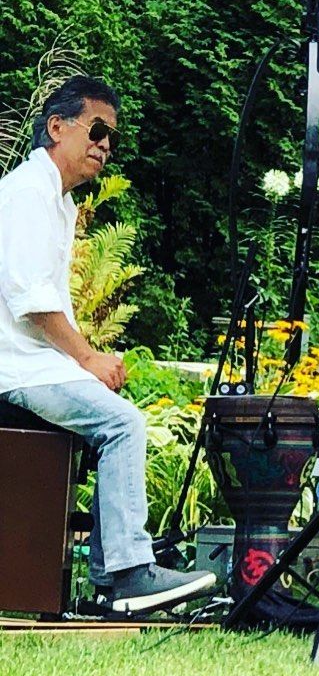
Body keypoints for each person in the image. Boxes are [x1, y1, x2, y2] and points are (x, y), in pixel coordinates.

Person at [0, 76, 215, 613]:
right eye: (96, 130)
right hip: (15, 367)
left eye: (112, 137)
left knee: (117, 416)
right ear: (56, 127)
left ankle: (112, 572)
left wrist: (88, 362)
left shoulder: (58, 201)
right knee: (122, 424)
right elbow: (32, 300)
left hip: (32, 363)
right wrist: (87, 357)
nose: (105, 145)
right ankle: (127, 575)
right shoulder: (26, 193)